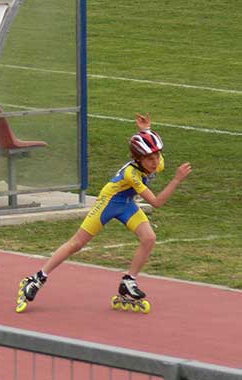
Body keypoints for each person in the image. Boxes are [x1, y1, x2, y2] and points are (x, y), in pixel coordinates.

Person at [16, 113, 192, 313]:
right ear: (137, 158)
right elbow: (156, 202)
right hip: (108, 203)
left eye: (157, 156)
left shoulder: (157, 162)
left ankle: (129, 281)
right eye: (150, 158)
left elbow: (152, 152)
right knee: (77, 243)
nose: (155, 162)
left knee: (149, 238)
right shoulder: (131, 173)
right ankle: (37, 278)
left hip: (127, 203)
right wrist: (176, 180)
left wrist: (146, 130)